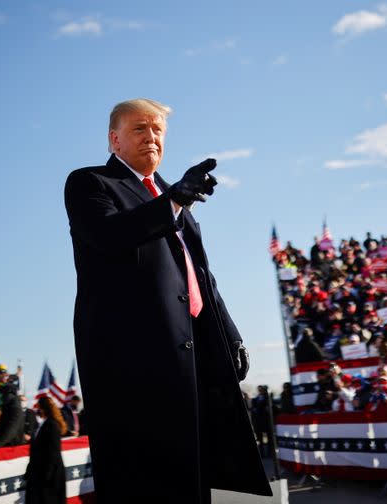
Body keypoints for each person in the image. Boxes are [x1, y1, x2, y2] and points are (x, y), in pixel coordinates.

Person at [64, 98, 271, 502]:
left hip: (190, 348)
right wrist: (173, 201)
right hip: (131, 356)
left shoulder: (171, 198)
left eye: (158, 130)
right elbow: (110, 236)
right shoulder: (90, 183)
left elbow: (201, 276)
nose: (152, 137)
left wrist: (229, 332)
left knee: (193, 469)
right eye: (140, 129)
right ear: (114, 139)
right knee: (144, 474)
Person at [24, 396, 67, 504]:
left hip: (48, 476)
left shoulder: (52, 425)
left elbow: (53, 453)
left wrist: (46, 476)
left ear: (43, 408)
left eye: (38, 407)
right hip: (38, 473)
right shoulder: (42, 425)